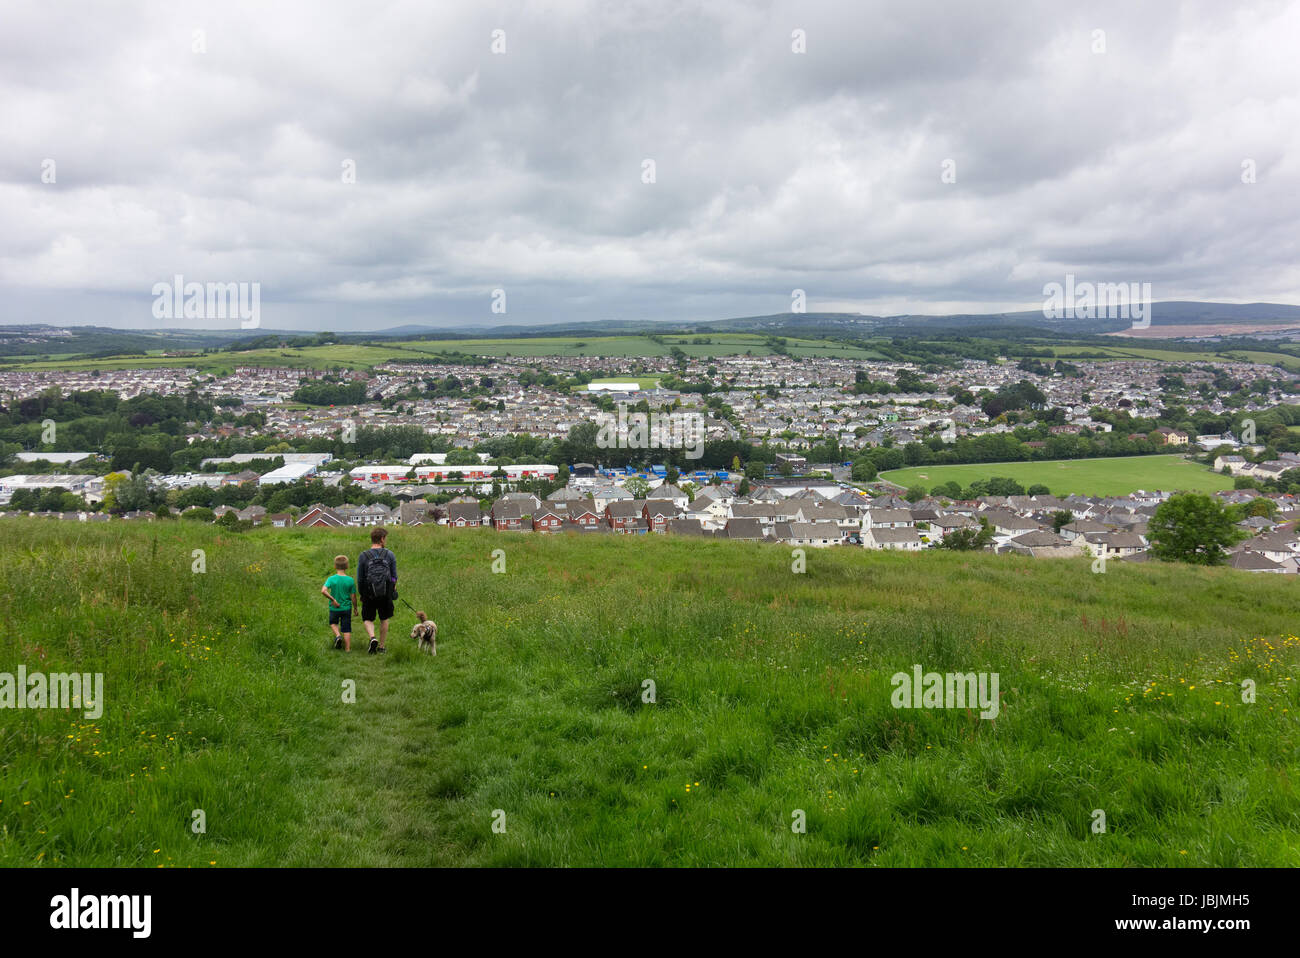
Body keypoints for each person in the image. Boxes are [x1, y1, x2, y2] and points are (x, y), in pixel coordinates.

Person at [357, 526, 397, 654]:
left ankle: (372, 637)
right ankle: (381, 646)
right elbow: (394, 576)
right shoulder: (389, 554)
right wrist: (392, 589)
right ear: (381, 539)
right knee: (384, 618)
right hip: (385, 592)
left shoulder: (363, 556)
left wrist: (361, 593)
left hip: (369, 592)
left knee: (368, 618)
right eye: (385, 538)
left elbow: (360, 577)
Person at [321, 555, 359, 651]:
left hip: (334, 608)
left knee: (333, 623)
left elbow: (323, 591)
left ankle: (338, 636)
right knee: (346, 628)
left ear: (335, 566)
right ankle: (347, 649)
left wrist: (333, 600)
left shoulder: (331, 579)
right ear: (347, 566)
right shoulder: (350, 580)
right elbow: (353, 597)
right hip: (346, 608)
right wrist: (355, 608)